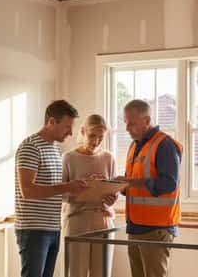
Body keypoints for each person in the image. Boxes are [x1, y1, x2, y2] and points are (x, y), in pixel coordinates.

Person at [15, 100, 89, 277]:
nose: (71, 133)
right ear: (51, 122)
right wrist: (66, 186)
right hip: (33, 230)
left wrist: (78, 187)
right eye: (66, 127)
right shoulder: (30, 147)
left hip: (53, 228)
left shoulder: (55, 150)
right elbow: (28, 191)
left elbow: (54, 190)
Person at [117, 99, 183, 277]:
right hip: (135, 225)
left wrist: (133, 182)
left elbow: (169, 183)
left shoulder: (165, 145)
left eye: (132, 123)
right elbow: (132, 184)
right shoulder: (134, 146)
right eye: (126, 123)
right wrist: (117, 185)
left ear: (147, 121)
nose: (127, 128)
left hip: (156, 228)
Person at [62, 114, 118, 277]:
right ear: (82, 132)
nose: (96, 141)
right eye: (92, 136)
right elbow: (60, 194)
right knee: (76, 272)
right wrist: (84, 187)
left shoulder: (108, 158)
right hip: (77, 220)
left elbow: (113, 191)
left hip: (104, 219)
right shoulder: (69, 158)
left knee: (102, 273)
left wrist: (112, 198)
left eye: (101, 137)